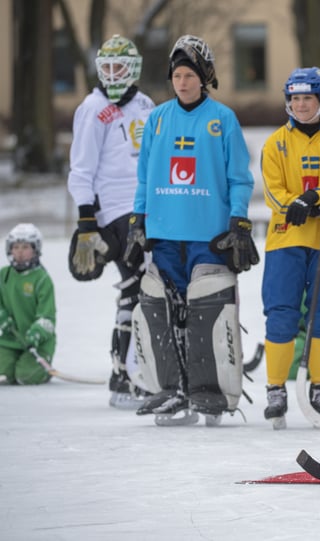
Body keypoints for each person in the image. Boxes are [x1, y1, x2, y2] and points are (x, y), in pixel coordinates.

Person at [123, 35, 258, 426]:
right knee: (161, 311)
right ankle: (170, 390)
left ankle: (208, 392)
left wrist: (239, 220)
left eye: (189, 75)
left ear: (205, 78)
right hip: (165, 234)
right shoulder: (159, 119)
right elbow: (145, 178)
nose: (182, 82)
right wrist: (138, 220)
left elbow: (239, 178)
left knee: (204, 314)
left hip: (209, 234)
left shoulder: (222, 119)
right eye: (177, 75)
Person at [260, 67, 320, 429]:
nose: (301, 105)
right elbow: (272, 190)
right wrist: (297, 206)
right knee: (282, 312)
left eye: (308, 98)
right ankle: (276, 389)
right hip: (286, 239)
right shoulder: (274, 144)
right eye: (295, 99)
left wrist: (316, 198)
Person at [66, 34, 155, 409]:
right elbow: (81, 168)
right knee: (137, 287)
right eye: (107, 68)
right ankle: (125, 376)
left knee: (150, 286)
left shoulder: (148, 104)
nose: (114, 74)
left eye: (120, 67)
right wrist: (87, 220)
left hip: (148, 207)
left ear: (133, 68)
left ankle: (140, 371)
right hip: (114, 212)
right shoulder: (93, 108)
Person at [0, 224, 56, 385]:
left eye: (25, 247)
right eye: (15, 247)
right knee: (4, 373)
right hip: (9, 340)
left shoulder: (42, 279)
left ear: (35, 249)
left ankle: (42, 368)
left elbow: (48, 317)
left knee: (26, 375)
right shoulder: (3, 275)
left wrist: (36, 333)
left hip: (37, 344)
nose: (19, 251)